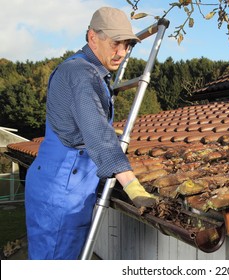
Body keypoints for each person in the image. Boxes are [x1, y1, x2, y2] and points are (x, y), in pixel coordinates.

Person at [25, 7, 156, 260]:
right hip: (63, 191)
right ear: (92, 37)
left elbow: (83, 121)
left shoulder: (81, 68)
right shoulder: (82, 74)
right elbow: (96, 129)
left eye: (127, 45)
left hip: (54, 182)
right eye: (116, 43)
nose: (122, 52)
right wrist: (132, 185)